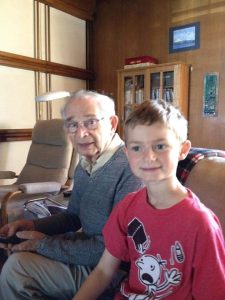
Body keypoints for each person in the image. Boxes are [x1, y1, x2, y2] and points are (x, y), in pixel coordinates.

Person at [73, 100, 225, 300]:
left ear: (182, 149)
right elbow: (103, 271)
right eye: (137, 148)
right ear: (127, 153)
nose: (148, 157)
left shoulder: (201, 223)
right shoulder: (127, 207)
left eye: (160, 146)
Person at [0, 90, 143, 300]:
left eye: (90, 122)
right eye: (72, 124)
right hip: (87, 253)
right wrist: (33, 226)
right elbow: (73, 216)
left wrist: (43, 244)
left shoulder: (131, 169)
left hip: (115, 271)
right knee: (17, 253)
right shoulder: (86, 164)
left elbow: (113, 251)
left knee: (17, 269)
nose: (80, 133)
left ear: (112, 123)